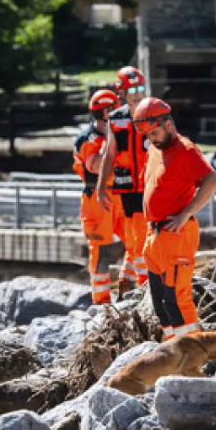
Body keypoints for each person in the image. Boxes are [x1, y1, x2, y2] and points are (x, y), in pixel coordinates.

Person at [132, 98, 216, 340]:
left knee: (176, 299)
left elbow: (212, 181)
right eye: (148, 135)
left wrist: (185, 214)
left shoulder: (186, 150)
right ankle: (173, 350)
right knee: (160, 302)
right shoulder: (154, 149)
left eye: (155, 132)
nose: (153, 139)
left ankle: (196, 352)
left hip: (176, 234)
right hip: (154, 235)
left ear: (168, 124)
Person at [96, 66, 151, 296]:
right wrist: (100, 188)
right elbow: (109, 155)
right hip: (127, 189)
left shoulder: (153, 112)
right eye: (132, 90)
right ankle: (141, 284)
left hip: (151, 186)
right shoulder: (116, 120)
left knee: (147, 237)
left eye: (140, 88)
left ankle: (143, 283)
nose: (138, 94)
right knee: (136, 239)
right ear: (122, 92)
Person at [73, 89, 125, 305]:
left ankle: (129, 285)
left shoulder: (121, 133)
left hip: (121, 194)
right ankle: (101, 302)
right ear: (105, 112)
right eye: (115, 108)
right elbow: (95, 166)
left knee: (136, 241)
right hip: (96, 197)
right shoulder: (87, 139)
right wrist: (111, 144)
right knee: (101, 250)